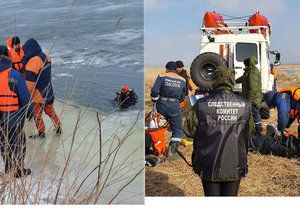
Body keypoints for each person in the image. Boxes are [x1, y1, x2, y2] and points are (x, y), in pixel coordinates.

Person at [183, 66, 251, 196]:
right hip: (235, 164)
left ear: (214, 80)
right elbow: (250, 130)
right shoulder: (245, 105)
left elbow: (189, 130)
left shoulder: (201, 104)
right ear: (232, 81)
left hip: (208, 164)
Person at [0, 45, 33, 178]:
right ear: (8, 57)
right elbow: (25, 97)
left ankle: (8, 168)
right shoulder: (14, 75)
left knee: (4, 144)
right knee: (18, 144)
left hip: (1, 119)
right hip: (14, 119)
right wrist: (31, 113)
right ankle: (18, 171)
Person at [22, 38, 61, 138]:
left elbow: (29, 85)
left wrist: (24, 97)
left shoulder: (33, 63)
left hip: (38, 95)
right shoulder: (46, 56)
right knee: (51, 111)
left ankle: (41, 133)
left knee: (37, 115)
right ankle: (58, 127)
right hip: (48, 90)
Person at [151, 61, 186, 159]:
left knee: (157, 126)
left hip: (161, 104)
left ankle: (158, 148)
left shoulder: (162, 76)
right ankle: (171, 153)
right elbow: (183, 96)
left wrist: (154, 100)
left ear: (166, 69)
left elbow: (154, 91)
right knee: (178, 130)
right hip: (174, 106)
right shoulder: (182, 80)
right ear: (175, 69)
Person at [236, 56, 263, 135]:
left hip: (254, 98)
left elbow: (253, 87)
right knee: (253, 113)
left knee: (255, 113)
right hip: (252, 97)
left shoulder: (252, 72)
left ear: (247, 64)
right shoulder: (249, 71)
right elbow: (243, 78)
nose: (244, 66)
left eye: (245, 65)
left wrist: (250, 100)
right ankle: (254, 130)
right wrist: (234, 81)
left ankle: (258, 130)